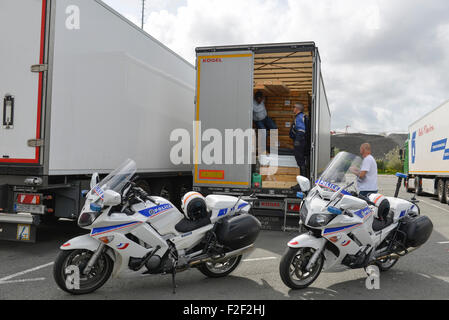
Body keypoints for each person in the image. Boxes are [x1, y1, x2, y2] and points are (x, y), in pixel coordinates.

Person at [291, 103, 309, 177]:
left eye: (294, 107)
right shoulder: (302, 116)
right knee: (301, 161)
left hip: (300, 141)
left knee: (300, 161)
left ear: (298, 109)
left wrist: (297, 141)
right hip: (302, 141)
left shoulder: (299, 117)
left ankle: (303, 181)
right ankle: (303, 180)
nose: (293, 109)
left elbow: (301, 130)